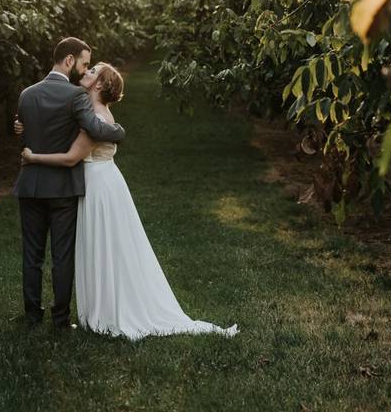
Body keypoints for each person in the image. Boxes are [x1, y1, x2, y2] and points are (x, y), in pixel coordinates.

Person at [19, 62, 238, 341]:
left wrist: (33, 157)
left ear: (99, 85)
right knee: (105, 248)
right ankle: (99, 307)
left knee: (103, 247)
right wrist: (21, 125)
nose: (85, 72)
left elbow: (72, 157)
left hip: (97, 187)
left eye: (92, 71)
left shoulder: (96, 118)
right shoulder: (90, 112)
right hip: (102, 182)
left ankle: (108, 312)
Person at [12, 37, 126, 329]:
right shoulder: (75, 96)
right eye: (84, 63)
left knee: (31, 255)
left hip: (30, 185)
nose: (84, 69)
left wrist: (21, 129)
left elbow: (28, 131)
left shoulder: (26, 94)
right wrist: (119, 131)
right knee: (62, 257)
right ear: (68, 60)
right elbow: (95, 127)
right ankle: (60, 319)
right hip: (62, 187)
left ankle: (32, 316)